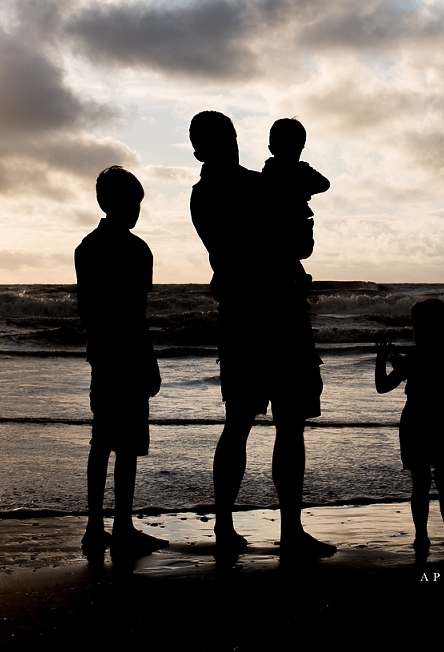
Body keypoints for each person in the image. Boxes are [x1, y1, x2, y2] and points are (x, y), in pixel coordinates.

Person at [188, 110, 336, 558]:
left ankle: (235, 527)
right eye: (223, 140)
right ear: (201, 151)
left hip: (249, 315)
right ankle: (278, 529)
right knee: (271, 425)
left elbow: (294, 238)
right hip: (268, 313)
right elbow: (295, 243)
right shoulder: (239, 188)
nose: (231, 145)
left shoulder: (226, 189)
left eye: (231, 137)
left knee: (254, 424)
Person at [75, 165, 166, 558]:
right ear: (114, 204)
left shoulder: (88, 249)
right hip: (123, 353)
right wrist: (148, 359)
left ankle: (103, 526)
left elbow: (90, 311)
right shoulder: (135, 250)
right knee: (120, 442)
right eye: (133, 202)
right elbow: (135, 313)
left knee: (109, 441)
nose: (136, 210)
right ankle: (114, 525)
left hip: (107, 354)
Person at [374, 299, 444, 556]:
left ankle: (421, 537)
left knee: (420, 483)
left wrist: (380, 360)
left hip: (415, 422)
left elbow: (382, 387)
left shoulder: (413, 360)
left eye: (415, 325)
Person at [259, 117, 330, 268]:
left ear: (271, 148)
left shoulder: (272, 171)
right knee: (285, 255)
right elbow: (324, 184)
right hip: (283, 228)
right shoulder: (285, 171)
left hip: (288, 230)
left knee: (286, 256)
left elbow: (324, 184)